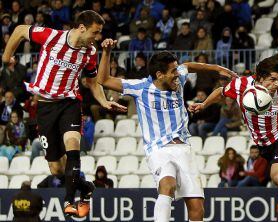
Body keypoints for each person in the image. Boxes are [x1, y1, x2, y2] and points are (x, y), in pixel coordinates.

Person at [2, 10, 126, 217]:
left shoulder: (90, 53)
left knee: (73, 145)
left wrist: (104, 101)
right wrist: (7, 57)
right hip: (45, 107)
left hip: (69, 103)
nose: (97, 38)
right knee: (57, 169)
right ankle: (86, 187)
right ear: (82, 28)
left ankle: (69, 201)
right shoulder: (52, 36)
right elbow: (20, 30)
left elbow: (91, 82)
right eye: (95, 33)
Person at [97, 38, 237, 221]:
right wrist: (107, 53)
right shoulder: (141, 88)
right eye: (173, 72)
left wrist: (218, 69)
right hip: (158, 149)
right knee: (167, 184)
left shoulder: (178, 80)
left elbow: (188, 66)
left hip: (184, 148)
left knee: (197, 208)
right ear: (159, 74)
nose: (177, 75)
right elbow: (103, 79)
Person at [189, 54, 278, 212]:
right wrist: (203, 104)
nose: (277, 83)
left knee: (277, 176)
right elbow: (221, 91)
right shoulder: (241, 85)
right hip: (263, 144)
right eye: (273, 79)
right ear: (260, 77)